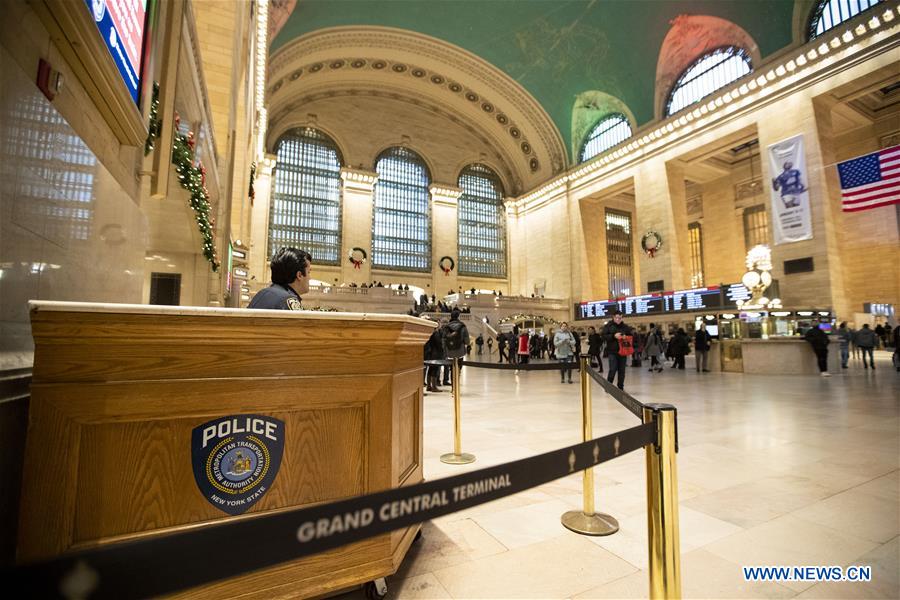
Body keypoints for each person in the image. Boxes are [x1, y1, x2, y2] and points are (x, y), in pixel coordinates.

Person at [247, 247, 312, 310]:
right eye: (308, 272)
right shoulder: (287, 300)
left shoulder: (262, 293)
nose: (310, 278)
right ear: (299, 275)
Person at [601, 310, 634, 390]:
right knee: (612, 369)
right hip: (612, 351)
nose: (618, 319)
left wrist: (625, 336)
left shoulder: (625, 327)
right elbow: (603, 336)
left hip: (623, 351)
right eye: (617, 318)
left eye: (620, 318)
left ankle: (620, 387)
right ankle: (608, 387)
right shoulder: (608, 326)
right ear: (613, 317)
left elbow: (630, 336)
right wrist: (613, 336)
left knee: (622, 370)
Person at [442, 310, 470, 386]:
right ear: (458, 316)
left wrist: (445, 349)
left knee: (452, 368)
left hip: (449, 351)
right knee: (458, 368)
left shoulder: (447, 326)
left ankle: (453, 385)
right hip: (460, 351)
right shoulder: (463, 326)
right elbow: (467, 341)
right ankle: (456, 384)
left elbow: (443, 339)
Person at [424, 323, 444, 392]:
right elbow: (439, 344)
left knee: (430, 369)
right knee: (435, 370)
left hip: (431, 353)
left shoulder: (430, 332)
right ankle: (434, 387)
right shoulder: (436, 333)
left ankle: (429, 386)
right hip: (436, 354)